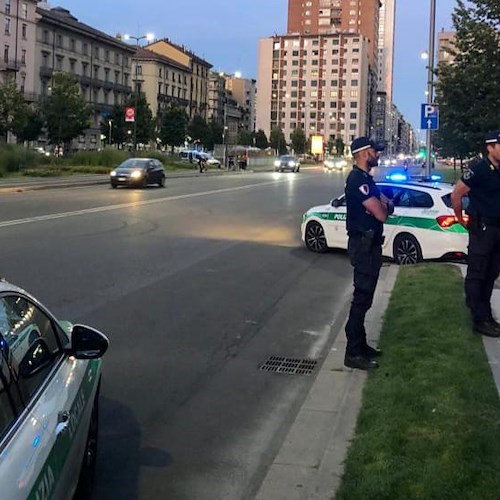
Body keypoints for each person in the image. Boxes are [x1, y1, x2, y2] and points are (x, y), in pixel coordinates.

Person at [344, 136, 394, 370]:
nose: (378, 154)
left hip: (371, 245)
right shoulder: (357, 179)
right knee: (361, 298)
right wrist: (383, 207)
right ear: (364, 153)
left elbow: (386, 205)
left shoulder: (367, 179)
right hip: (363, 246)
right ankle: (353, 352)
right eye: (375, 151)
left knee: (366, 298)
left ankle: (361, 345)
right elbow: (383, 212)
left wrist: (383, 206)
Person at [451, 130, 500, 337]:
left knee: (491, 273)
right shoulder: (479, 169)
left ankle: (486, 314)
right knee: (477, 273)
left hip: (498, 229)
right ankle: (478, 318)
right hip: (483, 228)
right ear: (490, 147)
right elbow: (457, 193)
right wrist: (460, 218)